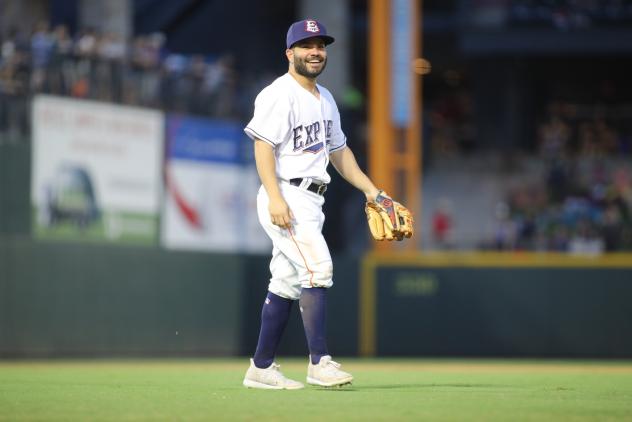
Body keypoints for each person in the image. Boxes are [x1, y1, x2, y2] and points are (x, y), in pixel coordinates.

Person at [242, 19, 383, 390]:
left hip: (312, 198)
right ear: (290, 53)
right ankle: (319, 362)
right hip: (286, 194)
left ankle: (261, 367)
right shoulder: (279, 93)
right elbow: (262, 147)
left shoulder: (327, 98)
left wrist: (373, 191)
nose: (315, 51)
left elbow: (339, 152)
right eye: (306, 45)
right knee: (318, 269)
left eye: (320, 45)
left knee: (287, 282)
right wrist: (274, 196)